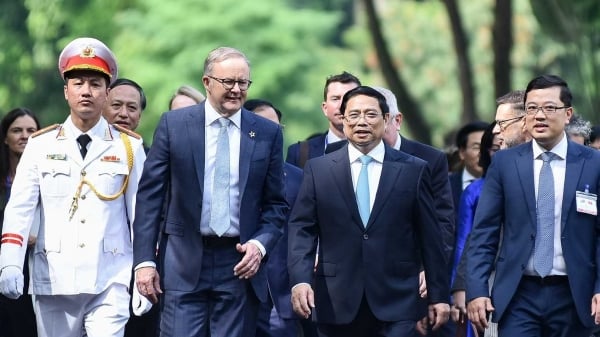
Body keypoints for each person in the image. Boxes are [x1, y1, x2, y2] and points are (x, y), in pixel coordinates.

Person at [132, 47, 287, 337]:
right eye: (228, 82)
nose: (236, 90)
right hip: (182, 260)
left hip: (239, 265)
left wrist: (260, 245)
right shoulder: (174, 125)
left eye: (243, 83)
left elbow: (276, 204)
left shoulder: (267, 133)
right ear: (207, 82)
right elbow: (150, 198)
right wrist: (144, 262)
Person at [0, 37, 146, 337]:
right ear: (66, 92)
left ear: (107, 93)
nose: (86, 91)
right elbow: (20, 208)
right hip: (54, 276)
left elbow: (141, 215)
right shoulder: (40, 145)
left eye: (95, 84)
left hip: (110, 276)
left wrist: (145, 268)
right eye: (78, 83)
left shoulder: (129, 147)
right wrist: (10, 263)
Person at [288, 86, 450, 337]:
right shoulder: (318, 170)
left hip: (397, 299)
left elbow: (430, 236)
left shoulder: (414, 170)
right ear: (342, 120)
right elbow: (302, 229)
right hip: (335, 299)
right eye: (353, 115)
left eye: (370, 114)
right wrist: (300, 280)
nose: (361, 121)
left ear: (387, 120)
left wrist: (439, 295)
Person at [466, 75, 600, 336]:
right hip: (519, 294)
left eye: (549, 108)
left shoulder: (593, 164)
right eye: (531, 108)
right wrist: (477, 290)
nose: (539, 115)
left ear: (568, 113)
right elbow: (484, 233)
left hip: (574, 293)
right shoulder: (505, 163)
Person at [103, 78, 158, 337]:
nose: (123, 114)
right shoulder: (67, 146)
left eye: (132, 108)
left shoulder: (150, 155)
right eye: (116, 105)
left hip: (133, 270)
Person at [244, 98, 303, 337]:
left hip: (282, 295)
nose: (272, 134)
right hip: (237, 289)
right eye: (263, 127)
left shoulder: (299, 178)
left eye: (277, 128)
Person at [449, 122, 501, 337]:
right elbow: (465, 240)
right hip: (485, 277)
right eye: (495, 148)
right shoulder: (476, 190)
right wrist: (459, 287)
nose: (501, 153)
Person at [0, 108, 40, 337]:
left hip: (37, 266)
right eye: (17, 130)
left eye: (31, 131)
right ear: (5, 137)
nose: (25, 136)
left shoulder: (50, 175)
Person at [286, 71, 361, 168]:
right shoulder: (299, 153)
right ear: (325, 108)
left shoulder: (379, 150)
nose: (342, 105)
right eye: (335, 99)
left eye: (349, 98)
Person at [448, 121, 488, 223]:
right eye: (476, 147)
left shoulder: (504, 184)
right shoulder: (445, 185)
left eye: (487, 146)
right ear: (462, 152)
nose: (482, 153)